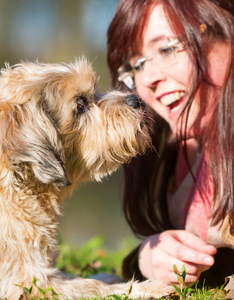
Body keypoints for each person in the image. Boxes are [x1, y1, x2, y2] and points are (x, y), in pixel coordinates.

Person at [107, 0, 234, 287]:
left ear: (226, 31)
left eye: (166, 49)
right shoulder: (187, 156)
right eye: (136, 65)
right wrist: (149, 257)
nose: (148, 79)